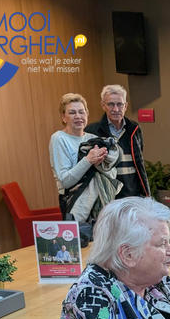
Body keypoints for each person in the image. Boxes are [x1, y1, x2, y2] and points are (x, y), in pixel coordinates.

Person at [49, 93, 119, 223]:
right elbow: (65, 181)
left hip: (100, 203)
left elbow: (111, 174)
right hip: (74, 202)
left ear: (87, 115)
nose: (78, 116)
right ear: (63, 117)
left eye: (81, 112)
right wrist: (88, 160)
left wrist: (104, 164)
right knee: (81, 242)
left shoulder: (92, 139)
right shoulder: (59, 138)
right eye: (72, 112)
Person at [85, 84, 150, 198]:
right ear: (103, 105)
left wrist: (145, 193)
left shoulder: (134, 129)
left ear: (125, 106)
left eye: (120, 104)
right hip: (106, 197)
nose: (116, 109)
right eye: (111, 104)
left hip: (133, 195)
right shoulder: (92, 131)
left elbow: (139, 164)